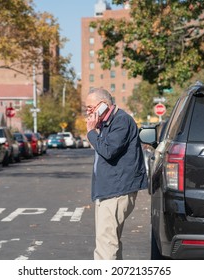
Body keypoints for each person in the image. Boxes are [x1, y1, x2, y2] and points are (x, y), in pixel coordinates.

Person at [85, 87, 148, 260]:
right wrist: (96, 130)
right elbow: (101, 150)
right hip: (109, 191)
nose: (88, 112)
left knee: (106, 245)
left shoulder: (121, 121)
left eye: (90, 107)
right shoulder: (107, 124)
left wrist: (91, 132)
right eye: (87, 109)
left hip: (117, 191)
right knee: (111, 242)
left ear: (103, 105)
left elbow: (108, 151)